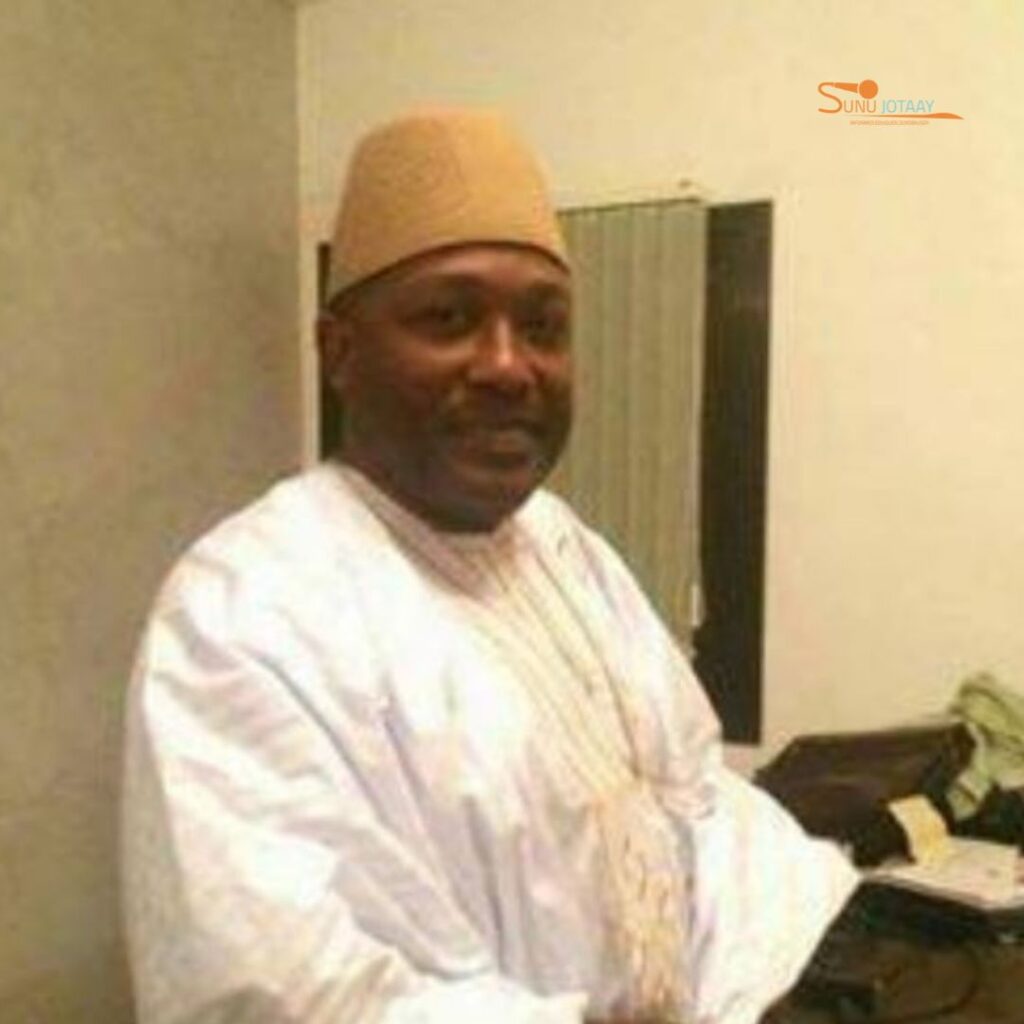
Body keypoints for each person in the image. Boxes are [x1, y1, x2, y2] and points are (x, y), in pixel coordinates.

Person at [121, 108, 856, 1024]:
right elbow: (286, 992)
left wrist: (783, 980)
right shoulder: (248, 611)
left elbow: (699, 803)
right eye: (449, 319)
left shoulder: (561, 546)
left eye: (544, 326)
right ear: (339, 352)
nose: (510, 367)